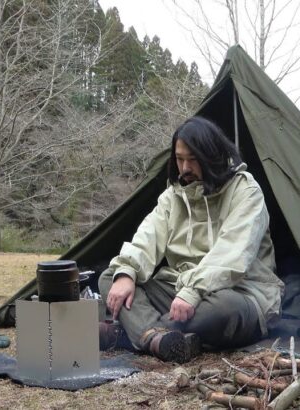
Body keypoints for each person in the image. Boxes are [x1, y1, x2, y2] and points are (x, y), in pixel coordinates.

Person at [98, 116, 284, 363]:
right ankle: (158, 338)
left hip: (239, 292)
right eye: (179, 159)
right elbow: (147, 236)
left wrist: (193, 291)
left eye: (193, 160)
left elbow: (232, 255)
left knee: (223, 308)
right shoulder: (172, 196)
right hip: (179, 290)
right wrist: (126, 273)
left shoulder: (246, 192)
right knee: (111, 277)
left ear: (213, 156)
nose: (184, 168)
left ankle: (132, 331)